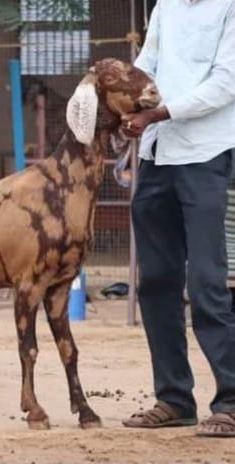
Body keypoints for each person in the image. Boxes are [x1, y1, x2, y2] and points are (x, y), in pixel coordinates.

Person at [120, 0, 235, 437]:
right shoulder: (166, 4)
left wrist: (157, 114)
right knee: (155, 282)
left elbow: (226, 82)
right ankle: (173, 398)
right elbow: (147, 65)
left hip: (206, 153)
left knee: (206, 282)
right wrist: (125, 100)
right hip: (157, 153)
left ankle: (230, 400)